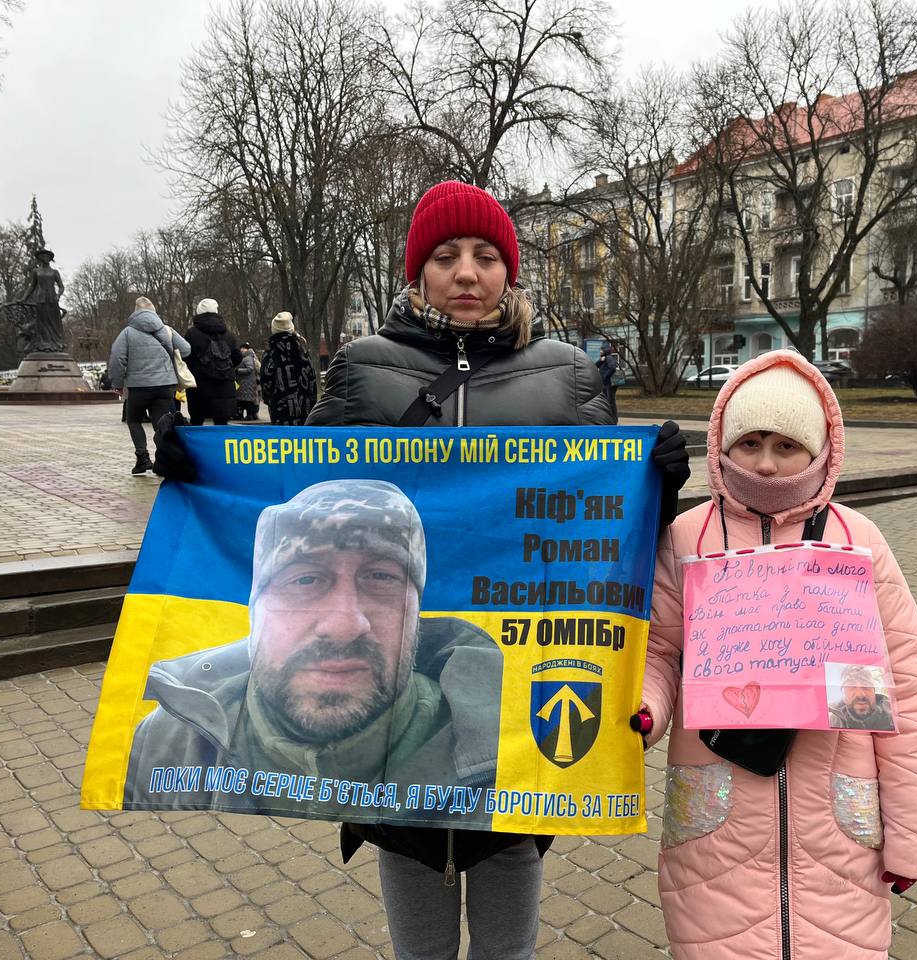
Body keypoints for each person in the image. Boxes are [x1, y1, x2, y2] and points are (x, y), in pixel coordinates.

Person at [155, 179, 691, 960]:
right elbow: (299, 499)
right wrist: (198, 468)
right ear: (418, 272)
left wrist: (658, 490)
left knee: (509, 867)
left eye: (484, 256)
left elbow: (606, 532)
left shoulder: (569, 377)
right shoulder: (364, 369)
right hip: (389, 672)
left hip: (523, 672)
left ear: (509, 270)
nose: (467, 273)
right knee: (411, 872)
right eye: (446, 257)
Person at [638, 351, 917, 960]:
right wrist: (643, 711)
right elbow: (660, 651)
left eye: (786, 444)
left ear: (820, 449)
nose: (766, 462)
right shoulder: (684, 538)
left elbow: (909, 685)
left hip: (837, 828)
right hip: (717, 828)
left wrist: (915, 837)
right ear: (721, 444)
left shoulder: (859, 540)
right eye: (749, 441)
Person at [124, 479, 501, 824]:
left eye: (382, 577)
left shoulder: (498, 740)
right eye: (304, 579)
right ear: (256, 609)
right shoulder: (170, 742)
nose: (344, 625)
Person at [108, 297, 191, 476]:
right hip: (164, 385)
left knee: (133, 419)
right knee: (160, 423)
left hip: (138, 387)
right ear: (153, 311)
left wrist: (117, 383)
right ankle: (165, 459)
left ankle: (142, 457)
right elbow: (186, 349)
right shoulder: (166, 330)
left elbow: (117, 359)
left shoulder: (127, 333)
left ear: (136, 312)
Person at [184, 298, 242, 426]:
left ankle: (198, 447)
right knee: (222, 427)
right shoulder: (229, 335)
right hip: (225, 387)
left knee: (197, 424)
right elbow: (237, 357)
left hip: (200, 387)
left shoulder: (191, 334)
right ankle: (219, 446)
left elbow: (185, 357)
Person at [260, 312, 317, 425]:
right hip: (305, 409)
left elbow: (266, 382)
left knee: (282, 441)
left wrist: (270, 400)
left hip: (280, 411)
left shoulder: (270, 354)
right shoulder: (302, 351)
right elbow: (312, 379)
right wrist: (311, 401)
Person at [828, 664, 896, 732]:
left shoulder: (894, 716)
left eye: (866, 686)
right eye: (852, 686)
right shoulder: (832, 721)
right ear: (844, 692)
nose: (860, 695)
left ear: (874, 690)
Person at [235, 341, 261, 420]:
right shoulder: (249, 357)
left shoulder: (248, 358)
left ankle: (250, 415)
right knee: (244, 400)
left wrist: (238, 370)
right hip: (245, 383)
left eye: (243, 348)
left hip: (247, 383)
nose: (241, 350)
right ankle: (250, 415)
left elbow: (250, 369)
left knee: (248, 401)